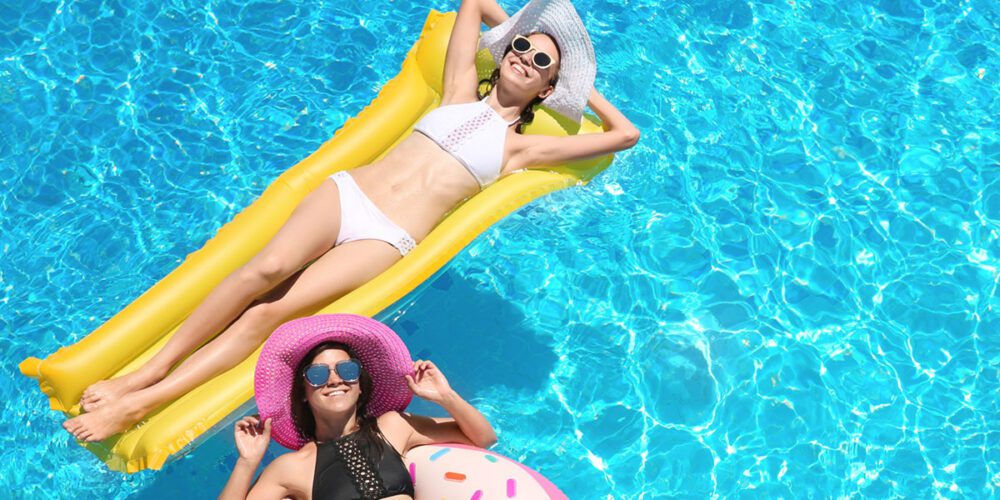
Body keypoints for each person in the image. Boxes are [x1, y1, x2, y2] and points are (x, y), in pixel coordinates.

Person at [63, 0, 639, 442]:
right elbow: (472, 2)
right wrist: (527, 29)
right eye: (520, 47)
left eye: (541, 62)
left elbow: (624, 134)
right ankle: (143, 374)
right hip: (347, 194)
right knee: (260, 271)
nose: (524, 58)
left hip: (387, 236)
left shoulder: (520, 151)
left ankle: (146, 402)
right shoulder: (459, 90)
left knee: (272, 313)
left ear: (548, 88)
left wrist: (577, 82)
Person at [218, 314, 495, 499]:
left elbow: (483, 438)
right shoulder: (290, 467)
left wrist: (446, 397)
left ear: (360, 384)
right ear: (302, 392)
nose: (335, 380)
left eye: (347, 370)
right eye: (317, 374)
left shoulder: (393, 426)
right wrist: (246, 462)